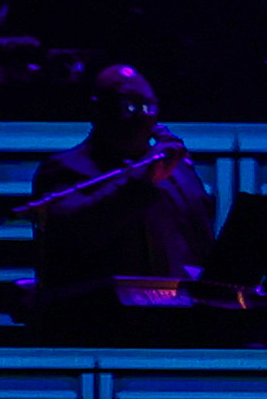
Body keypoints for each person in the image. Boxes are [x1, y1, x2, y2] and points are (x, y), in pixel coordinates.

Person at [21, 64, 213, 293]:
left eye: (149, 107)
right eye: (128, 107)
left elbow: (202, 245)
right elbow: (77, 235)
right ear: (98, 109)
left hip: (174, 313)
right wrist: (141, 179)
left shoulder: (178, 172)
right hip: (103, 314)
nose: (142, 117)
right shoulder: (64, 169)